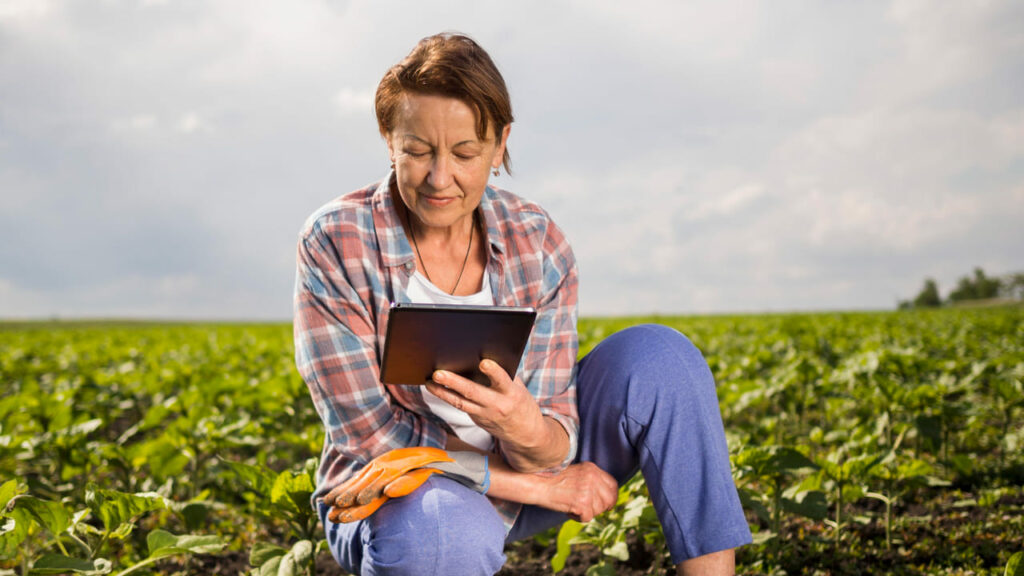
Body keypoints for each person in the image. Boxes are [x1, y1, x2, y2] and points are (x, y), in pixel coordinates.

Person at [293, 32, 751, 575]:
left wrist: (524, 426)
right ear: (388, 140)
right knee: (445, 529)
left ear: (500, 142)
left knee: (662, 359)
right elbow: (373, 445)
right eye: (417, 151)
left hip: (532, 474)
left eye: (465, 152)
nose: (441, 178)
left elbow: (554, 442)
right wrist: (527, 484)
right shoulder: (336, 241)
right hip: (400, 498)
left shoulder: (537, 240)